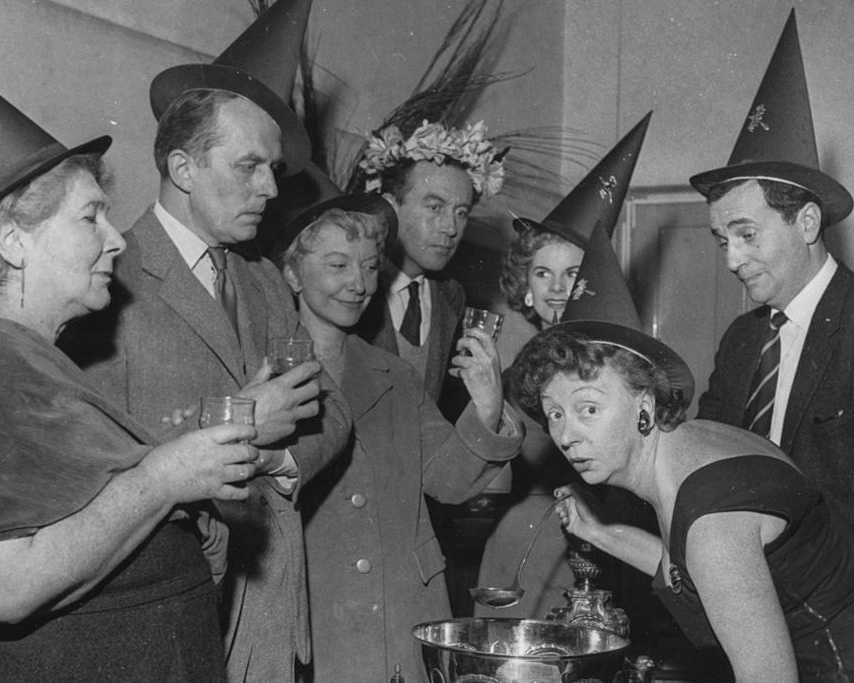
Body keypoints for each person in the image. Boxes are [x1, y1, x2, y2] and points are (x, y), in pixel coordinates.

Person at [0, 2, 254, 679]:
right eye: (91, 216)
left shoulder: (23, 358)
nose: (117, 237)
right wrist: (163, 477)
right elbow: (3, 587)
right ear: (13, 240)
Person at [59, 1, 351, 680]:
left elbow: (331, 413)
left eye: (273, 170)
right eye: (250, 166)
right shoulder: (109, 280)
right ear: (183, 167)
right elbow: (87, 464)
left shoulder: (265, 282)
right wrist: (241, 422)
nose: (270, 188)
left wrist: (278, 457)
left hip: (270, 601)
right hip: (164, 607)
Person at [510, 219, 854, 682]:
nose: (566, 435)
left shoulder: (709, 519)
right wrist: (600, 532)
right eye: (554, 414)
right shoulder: (690, 446)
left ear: (643, 405)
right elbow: (690, 569)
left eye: (588, 409)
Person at [274, 202, 522, 683]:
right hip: (314, 618)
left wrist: (487, 406)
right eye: (337, 265)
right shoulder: (263, 374)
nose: (359, 284)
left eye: (369, 267)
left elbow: (449, 481)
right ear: (291, 273)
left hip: (401, 611)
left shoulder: (395, 374)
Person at [690, 11, 854, 563]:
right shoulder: (742, 342)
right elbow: (705, 460)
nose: (732, 259)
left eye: (746, 234)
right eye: (723, 239)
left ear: (809, 224)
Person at [477, 114, 652, 619]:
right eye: (543, 273)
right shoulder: (510, 379)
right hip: (529, 545)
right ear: (526, 288)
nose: (557, 288)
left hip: (615, 540)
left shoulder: (631, 367)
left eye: (573, 273)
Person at [355, 119, 505, 405]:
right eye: (434, 207)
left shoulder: (451, 296)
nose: (450, 227)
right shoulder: (354, 286)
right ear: (389, 207)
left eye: (461, 212)